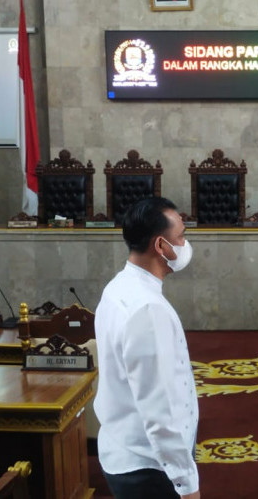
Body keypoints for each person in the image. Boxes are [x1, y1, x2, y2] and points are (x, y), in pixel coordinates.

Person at [94, 197, 200, 499]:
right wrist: (187, 484)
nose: (184, 244)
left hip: (123, 446)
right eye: (181, 237)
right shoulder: (147, 309)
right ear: (161, 246)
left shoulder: (117, 287)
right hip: (149, 467)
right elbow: (161, 410)